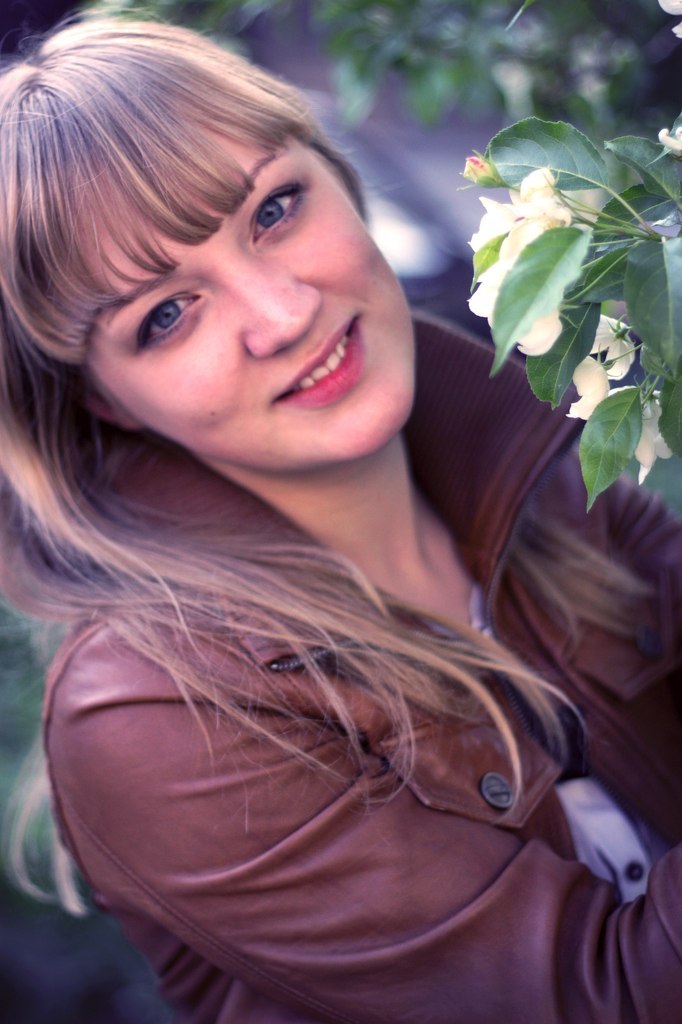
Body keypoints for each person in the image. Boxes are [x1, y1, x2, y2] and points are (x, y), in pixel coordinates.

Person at [1, 15, 681, 1024]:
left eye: (273, 210)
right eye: (166, 315)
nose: (282, 315)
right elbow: (608, 996)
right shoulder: (155, 713)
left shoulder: (514, 459)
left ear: (340, 178)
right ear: (101, 398)